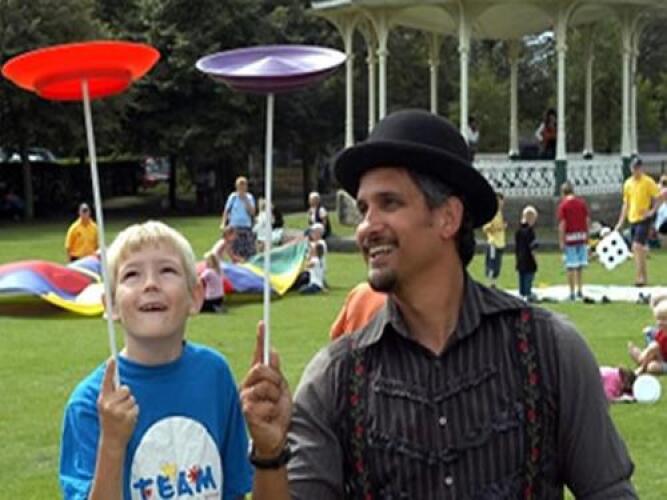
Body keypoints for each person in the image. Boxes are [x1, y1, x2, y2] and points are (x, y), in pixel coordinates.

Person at [240, 109, 636, 499]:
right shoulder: (337, 376)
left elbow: (610, 490)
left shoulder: (548, 349)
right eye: (363, 209)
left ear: (448, 217)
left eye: (389, 203)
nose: (366, 227)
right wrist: (271, 455)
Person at [59, 221, 252, 499]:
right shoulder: (92, 403)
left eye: (167, 271)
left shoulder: (215, 374)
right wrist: (111, 443)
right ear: (110, 305)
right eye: (132, 274)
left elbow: (234, 488)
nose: (150, 284)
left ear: (196, 296)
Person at [614, 157, 661, 286]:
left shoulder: (648, 182)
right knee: (638, 250)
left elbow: (658, 197)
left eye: (638, 168)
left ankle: (639, 277)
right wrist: (620, 222)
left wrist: (652, 211)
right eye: (634, 168)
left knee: (637, 246)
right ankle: (644, 277)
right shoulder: (628, 184)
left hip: (644, 219)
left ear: (641, 168)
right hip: (632, 218)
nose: (636, 171)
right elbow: (626, 204)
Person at [557, 181, 590, 300]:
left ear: (562, 193)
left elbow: (562, 224)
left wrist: (561, 240)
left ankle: (571, 292)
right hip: (581, 236)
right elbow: (587, 220)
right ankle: (580, 289)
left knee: (570, 266)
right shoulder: (581, 204)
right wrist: (587, 235)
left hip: (570, 238)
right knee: (580, 265)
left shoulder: (563, 206)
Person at [628, 290, 667, 375]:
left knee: (652, 367)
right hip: (662, 359)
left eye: (664, 319)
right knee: (653, 347)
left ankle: (642, 364)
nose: (661, 322)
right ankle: (642, 360)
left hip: (664, 362)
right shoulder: (660, 333)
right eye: (659, 319)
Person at [221, 176, 256, 260]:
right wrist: (223, 223)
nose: (242, 188)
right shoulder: (233, 197)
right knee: (235, 252)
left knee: (249, 252)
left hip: (246, 227)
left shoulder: (249, 197)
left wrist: (245, 200)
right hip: (234, 228)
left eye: (244, 186)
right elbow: (226, 211)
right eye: (240, 186)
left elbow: (252, 212)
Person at [482, 192, 506, 288]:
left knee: (497, 264)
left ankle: (494, 283)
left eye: (501, 201)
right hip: (493, 243)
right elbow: (486, 228)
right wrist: (498, 227)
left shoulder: (500, 213)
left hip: (500, 243)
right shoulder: (491, 214)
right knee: (492, 264)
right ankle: (489, 283)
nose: (500, 203)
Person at [515, 205, 539, 302]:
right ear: (531, 218)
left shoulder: (518, 231)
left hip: (520, 259)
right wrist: (536, 260)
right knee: (528, 277)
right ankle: (528, 293)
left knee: (521, 276)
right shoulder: (530, 231)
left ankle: (522, 293)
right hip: (529, 260)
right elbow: (533, 248)